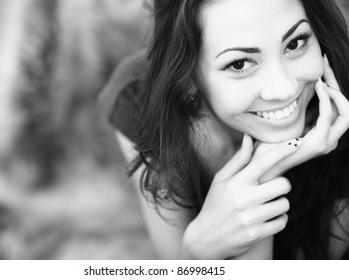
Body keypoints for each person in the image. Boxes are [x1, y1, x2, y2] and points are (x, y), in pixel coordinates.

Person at [100, 0, 349, 259]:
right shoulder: (140, 99)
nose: (284, 89)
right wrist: (195, 251)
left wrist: (264, 173)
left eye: (295, 43)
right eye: (240, 64)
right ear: (187, 79)